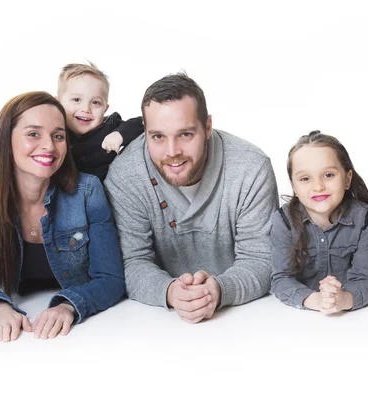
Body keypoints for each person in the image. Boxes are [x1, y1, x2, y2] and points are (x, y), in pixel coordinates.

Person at [104, 73, 279, 323]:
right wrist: (170, 291)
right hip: (152, 324)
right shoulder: (125, 175)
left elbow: (261, 259)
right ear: (144, 131)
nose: (172, 151)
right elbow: (132, 262)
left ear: (207, 127)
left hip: (244, 319)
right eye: (158, 137)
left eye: (185, 134)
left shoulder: (250, 168)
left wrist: (219, 290)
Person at [0, 91, 125, 342]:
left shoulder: (88, 191)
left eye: (58, 136)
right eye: (33, 134)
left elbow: (111, 278)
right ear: (6, 140)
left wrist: (67, 306)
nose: (49, 145)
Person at [270, 131, 368, 313]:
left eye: (328, 175)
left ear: (347, 178)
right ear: (294, 186)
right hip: (297, 319)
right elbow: (280, 278)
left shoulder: (364, 218)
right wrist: (316, 300)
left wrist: (344, 299)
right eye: (305, 178)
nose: (318, 186)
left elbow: (363, 279)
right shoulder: (283, 220)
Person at [57, 62, 143, 181]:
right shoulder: (56, 131)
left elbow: (142, 123)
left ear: (105, 109)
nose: (86, 109)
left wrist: (119, 134)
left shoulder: (109, 126)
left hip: (104, 192)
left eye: (96, 102)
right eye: (76, 99)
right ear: (58, 103)